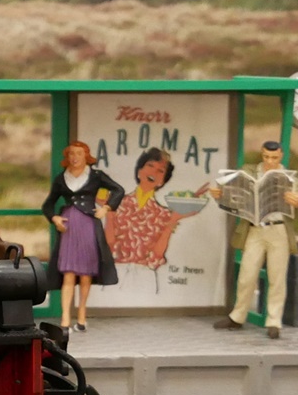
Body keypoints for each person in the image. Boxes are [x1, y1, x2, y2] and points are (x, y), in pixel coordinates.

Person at [209, 140, 298, 339]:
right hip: (255, 229)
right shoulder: (249, 171)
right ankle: (237, 316)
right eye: (266, 157)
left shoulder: (290, 178)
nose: (270, 161)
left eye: (274, 158)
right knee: (246, 275)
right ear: (261, 154)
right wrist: (220, 194)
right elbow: (234, 196)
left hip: (279, 230)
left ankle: (274, 321)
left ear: (281, 156)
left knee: (277, 278)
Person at [41, 140, 124, 332]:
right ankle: (65, 318)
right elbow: (48, 204)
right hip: (69, 226)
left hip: (88, 225)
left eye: (79, 153)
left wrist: (106, 208)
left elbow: (118, 190)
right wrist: (55, 218)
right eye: (71, 154)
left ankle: (81, 314)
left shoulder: (95, 176)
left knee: (86, 273)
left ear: (86, 156)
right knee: (68, 273)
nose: (75, 157)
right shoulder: (62, 179)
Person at [105, 148, 203, 270]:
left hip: (145, 274)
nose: (154, 172)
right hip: (115, 270)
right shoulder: (116, 203)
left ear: (162, 181)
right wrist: (109, 211)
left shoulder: (164, 214)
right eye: (150, 166)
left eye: (160, 171)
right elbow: (108, 246)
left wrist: (172, 221)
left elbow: (157, 256)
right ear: (139, 171)